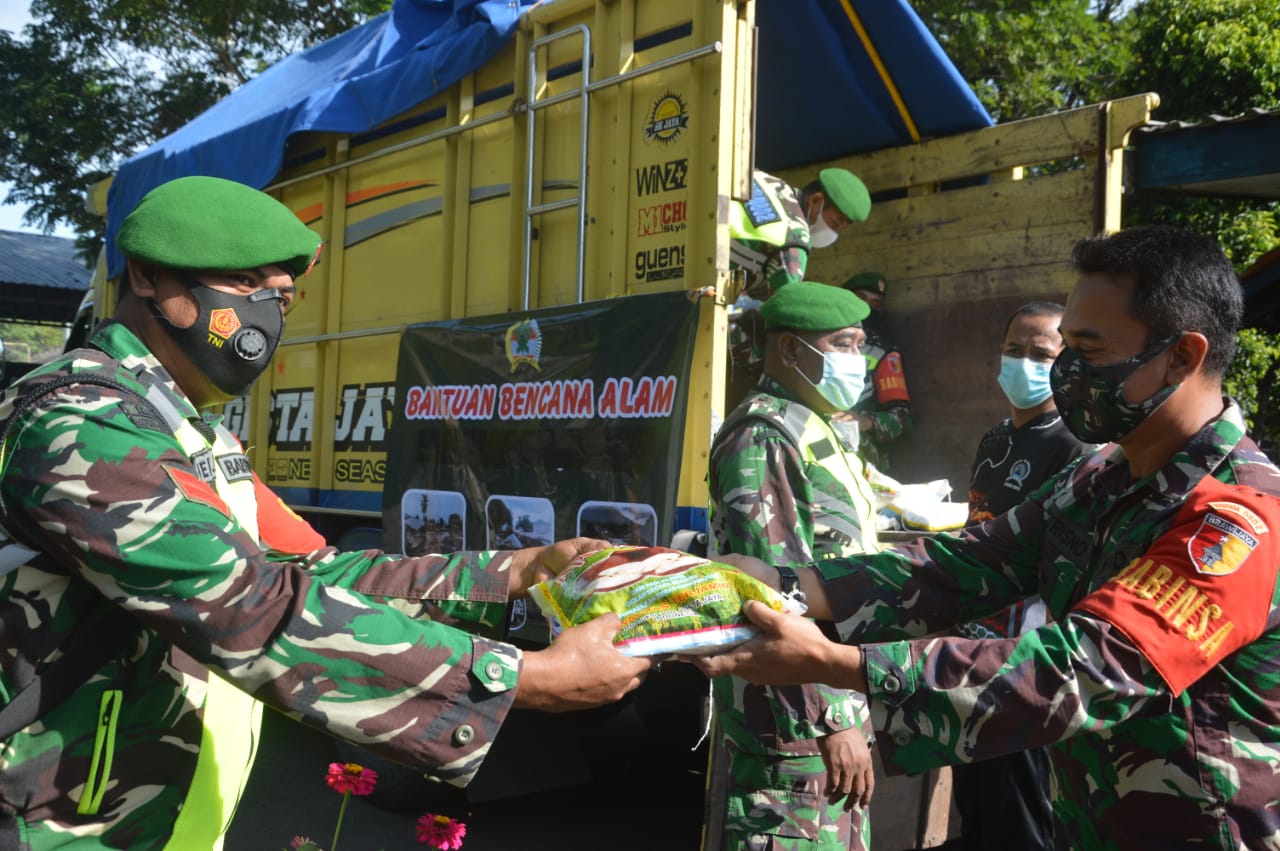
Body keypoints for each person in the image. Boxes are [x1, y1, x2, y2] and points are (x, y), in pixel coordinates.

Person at [0, 176, 652, 850]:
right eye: (243, 284)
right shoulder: (81, 423)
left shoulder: (196, 438)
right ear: (145, 278)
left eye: (279, 296)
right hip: (55, 828)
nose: (264, 316)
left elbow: (315, 573)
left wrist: (514, 570)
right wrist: (525, 679)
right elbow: (245, 605)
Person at [689, 225, 1280, 849]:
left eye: (1090, 349)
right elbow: (968, 562)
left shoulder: (1239, 517)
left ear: (1182, 356)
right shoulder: (1103, 477)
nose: (1068, 370)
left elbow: (1083, 669)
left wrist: (840, 666)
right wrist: (788, 586)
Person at [707, 281, 877, 850]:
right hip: (792, 724)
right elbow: (775, 598)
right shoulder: (763, 437)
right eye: (844, 344)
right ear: (789, 351)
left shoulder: (813, 423)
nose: (858, 360)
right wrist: (831, 718)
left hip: (825, 700)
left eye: (860, 344)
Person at [952, 301, 1088, 851]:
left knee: (1020, 819)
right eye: (1014, 350)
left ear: (1068, 363)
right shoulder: (995, 441)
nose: (1023, 363)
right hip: (971, 656)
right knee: (977, 810)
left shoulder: (1076, 447)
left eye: (1041, 354)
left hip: (1024, 665)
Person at [726, 169, 871, 409]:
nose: (833, 233)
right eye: (834, 223)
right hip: (698, 292)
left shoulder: (772, 185)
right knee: (771, 356)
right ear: (816, 201)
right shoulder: (794, 239)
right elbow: (786, 314)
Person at [834, 272, 911, 473]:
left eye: (875, 304)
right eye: (861, 298)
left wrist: (865, 422)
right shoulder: (815, 339)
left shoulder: (883, 353)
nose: (866, 308)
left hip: (860, 459)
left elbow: (901, 420)